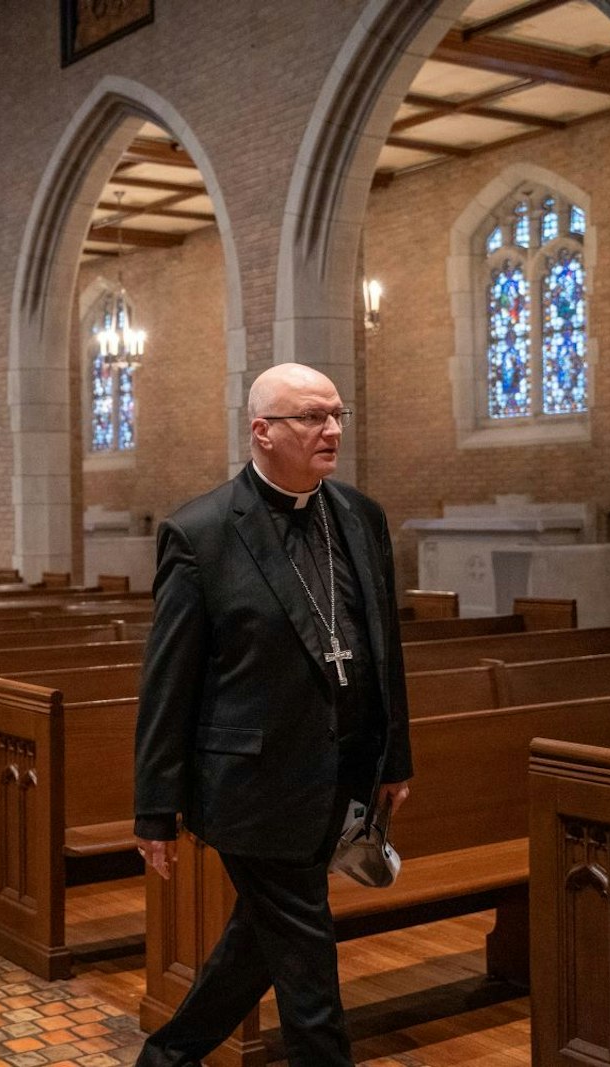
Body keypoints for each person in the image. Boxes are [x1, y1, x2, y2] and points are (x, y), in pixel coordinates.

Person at [132, 363, 413, 1067]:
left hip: (341, 775)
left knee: (262, 938)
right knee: (308, 965)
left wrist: (394, 757)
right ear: (262, 431)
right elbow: (169, 681)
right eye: (313, 417)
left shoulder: (360, 515)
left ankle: (166, 1057)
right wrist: (155, 808)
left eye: (338, 414)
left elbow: (384, 645)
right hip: (252, 786)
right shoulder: (200, 532)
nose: (333, 430)